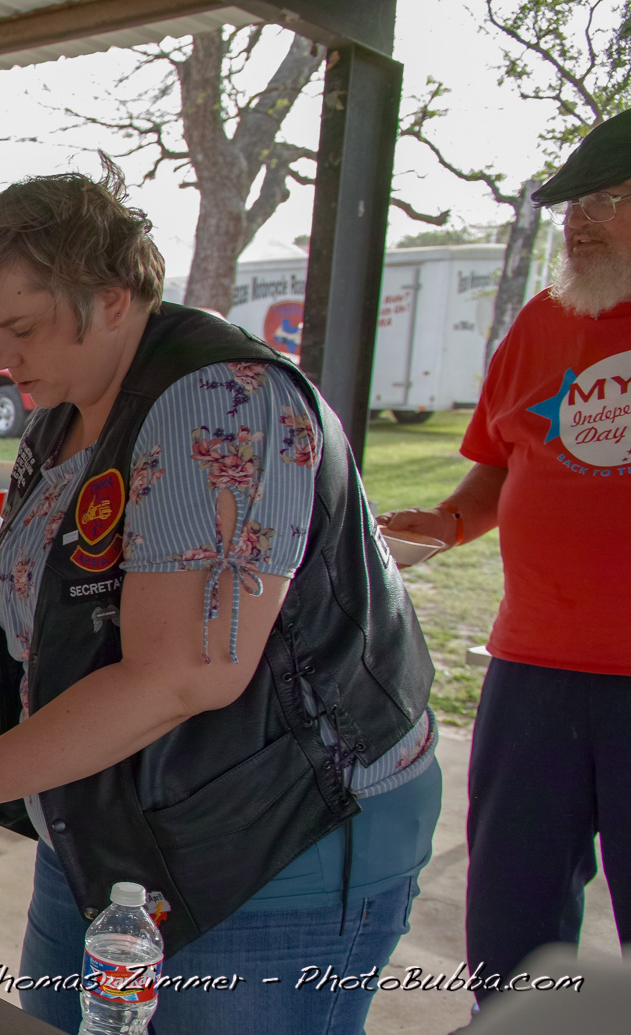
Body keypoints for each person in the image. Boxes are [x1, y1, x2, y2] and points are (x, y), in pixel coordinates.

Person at [0, 170, 438, 1034]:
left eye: (23, 329)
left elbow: (182, 674)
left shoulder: (226, 402)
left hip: (275, 841)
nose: (5, 358)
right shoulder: (68, 409)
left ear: (112, 298)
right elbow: (15, 626)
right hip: (111, 833)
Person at [379, 110, 631, 1006]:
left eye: (606, 199)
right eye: (570, 205)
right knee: (513, 912)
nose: (578, 221)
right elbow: (500, 462)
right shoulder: (543, 322)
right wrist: (449, 522)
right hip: (533, 666)